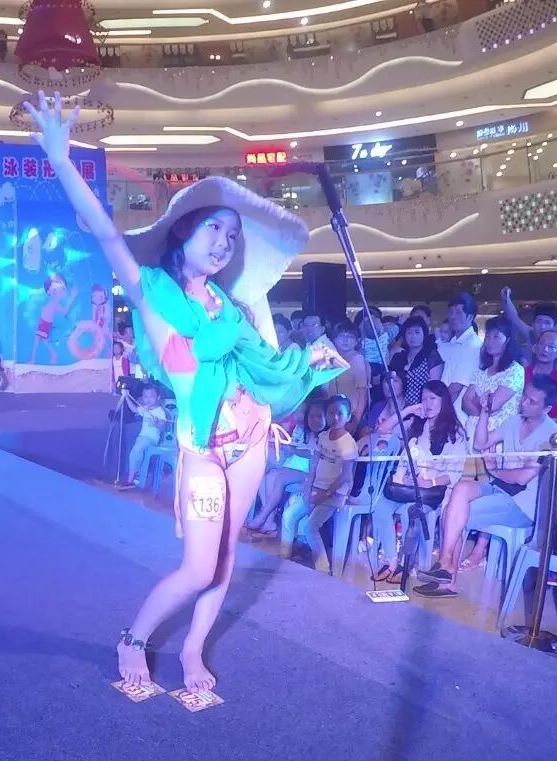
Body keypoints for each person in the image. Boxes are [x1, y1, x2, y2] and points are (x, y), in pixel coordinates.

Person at [25, 91, 344, 693]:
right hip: (201, 447)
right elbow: (104, 232)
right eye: (213, 227)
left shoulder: (232, 305)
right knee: (198, 566)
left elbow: (266, 367)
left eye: (232, 234)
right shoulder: (151, 291)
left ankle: (193, 648)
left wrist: (308, 362)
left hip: (251, 438)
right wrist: (61, 159)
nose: (224, 241)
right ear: (182, 231)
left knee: (226, 559)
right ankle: (134, 637)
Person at [415, 376, 557, 597]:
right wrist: (485, 412)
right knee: (461, 489)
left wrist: (493, 470)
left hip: (523, 504)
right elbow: (480, 443)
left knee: (454, 513)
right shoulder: (514, 421)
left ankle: (447, 579)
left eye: (532, 401)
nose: (523, 402)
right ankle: (445, 567)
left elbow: (522, 478)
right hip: (500, 488)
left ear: (546, 409)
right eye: (524, 396)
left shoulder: (552, 435)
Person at [367, 380, 468, 583]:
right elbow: (384, 429)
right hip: (408, 488)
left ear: (444, 401)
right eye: (424, 399)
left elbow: (454, 472)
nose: (427, 403)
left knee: (409, 511)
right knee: (380, 507)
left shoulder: (455, 432)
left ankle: (408, 564)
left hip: (434, 492)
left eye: (432, 398)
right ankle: (390, 560)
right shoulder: (418, 424)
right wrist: (409, 410)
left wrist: (431, 482)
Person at [279, 396, 358, 573]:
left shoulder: (348, 444)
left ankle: (324, 569)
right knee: (289, 515)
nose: (335, 417)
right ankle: (283, 557)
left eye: (339, 413)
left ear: (348, 416)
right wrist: (308, 487)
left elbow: (346, 476)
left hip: (334, 494)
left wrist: (325, 494)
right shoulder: (322, 437)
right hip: (316, 489)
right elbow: (313, 464)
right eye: (331, 413)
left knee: (310, 527)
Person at [246, 396, 326, 536]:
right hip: (295, 467)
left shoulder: (325, 437)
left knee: (280, 477)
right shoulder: (302, 431)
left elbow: (314, 455)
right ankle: (269, 521)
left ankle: (262, 517)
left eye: (319, 416)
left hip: (310, 472)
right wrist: (287, 448)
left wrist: (294, 450)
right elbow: (292, 447)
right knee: (267, 475)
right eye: (311, 416)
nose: (314, 420)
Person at [460, 315, 525, 436]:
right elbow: (464, 404)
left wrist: (476, 401)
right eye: (488, 336)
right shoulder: (481, 371)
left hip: (497, 436)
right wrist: (484, 406)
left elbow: (493, 405)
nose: (490, 341)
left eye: (496, 336)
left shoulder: (515, 371)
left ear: (508, 340)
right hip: (471, 433)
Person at [501, 289, 557, 387]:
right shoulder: (531, 336)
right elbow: (515, 319)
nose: (542, 326)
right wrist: (506, 299)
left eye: (547, 323)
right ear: (532, 324)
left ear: (556, 327)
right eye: (538, 321)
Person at [438, 292, 482, 415]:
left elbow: (456, 388)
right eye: (450, 312)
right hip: (446, 410)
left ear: (470, 317)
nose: (452, 317)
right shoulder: (452, 342)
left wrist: (441, 413)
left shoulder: (472, 346)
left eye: (458, 313)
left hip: (456, 414)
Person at [387, 316, 443, 409]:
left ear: (424, 334)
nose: (413, 336)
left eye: (417, 332)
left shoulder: (431, 356)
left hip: (422, 408)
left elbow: (434, 388)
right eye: (409, 333)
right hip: (398, 408)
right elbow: (389, 384)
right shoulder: (398, 357)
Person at [120, 383, 169, 489]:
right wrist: (126, 397)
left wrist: (156, 424)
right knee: (134, 453)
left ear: (158, 397)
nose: (148, 399)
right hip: (142, 437)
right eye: (145, 397)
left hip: (151, 439)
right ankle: (134, 475)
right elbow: (134, 409)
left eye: (151, 397)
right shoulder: (145, 408)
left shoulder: (159, 411)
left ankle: (132, 478)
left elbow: (163, 427)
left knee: (136, 450)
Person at [328, 320, 370, 426]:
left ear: (357, 341)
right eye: (341, 336)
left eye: (350, 336)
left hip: (350, 416)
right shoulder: (331, 359)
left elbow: (363, 394)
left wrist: (355, 421)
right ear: (334, 339)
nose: (345, 340)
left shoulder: (358, 360)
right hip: (332, 415)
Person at [528, 330, 557, 426]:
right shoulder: (521, 373)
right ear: (535, 347)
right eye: (542, 344)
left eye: (551, 347)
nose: (545, 349)